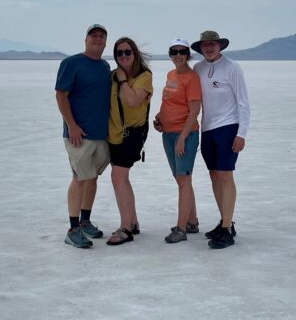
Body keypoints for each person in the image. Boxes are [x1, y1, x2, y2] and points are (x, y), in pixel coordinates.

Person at [55, 24, 112, 248]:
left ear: (105, 42)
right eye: (93, 35)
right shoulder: (71, 63)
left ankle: (85, 220)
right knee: (79, 178)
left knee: (92, 177)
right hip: (79, 133)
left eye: (101, 36)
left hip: (100, 133)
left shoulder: (105, 66)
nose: (97, 39)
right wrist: (72, 126)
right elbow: (61, 95)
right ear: (85, 39)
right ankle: (73, 228)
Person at [192, 29, 251, 249]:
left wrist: (241, 133)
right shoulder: (198, 69)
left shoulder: (232, 68)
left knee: (226, 175)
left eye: (213, 44)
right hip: (207, 129)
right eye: (205, 45)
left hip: (228, 127)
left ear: (220, 46)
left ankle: (226, 228)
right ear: (201, 48)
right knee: (214, 175)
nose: (209, 48)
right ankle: (225, 221)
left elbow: (243, 102)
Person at [104, 37, 154, 246]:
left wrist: (124, 80)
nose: (123, 56)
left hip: (131, 135)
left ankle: (125, 229)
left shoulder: (144, 76)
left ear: (135, 53)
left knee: (118, 177)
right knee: (121, 178)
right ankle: (132, 222)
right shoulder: (112, 76)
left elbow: (133, 101)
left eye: (127, 52)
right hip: (113, 135)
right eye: (119, 53)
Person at [153, 38, 203, 244]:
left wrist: (182, 138)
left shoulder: (191, 78)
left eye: (182, 52)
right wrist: (160, 118)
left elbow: (194, 111)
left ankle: (181, 229)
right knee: (180, 178)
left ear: (188, 54)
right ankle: (191, 221)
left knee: (184, 179)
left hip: (186, 135)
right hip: (168, 133)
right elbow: (169, 102)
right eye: (174, 52)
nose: (178, 55)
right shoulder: (171, 74)